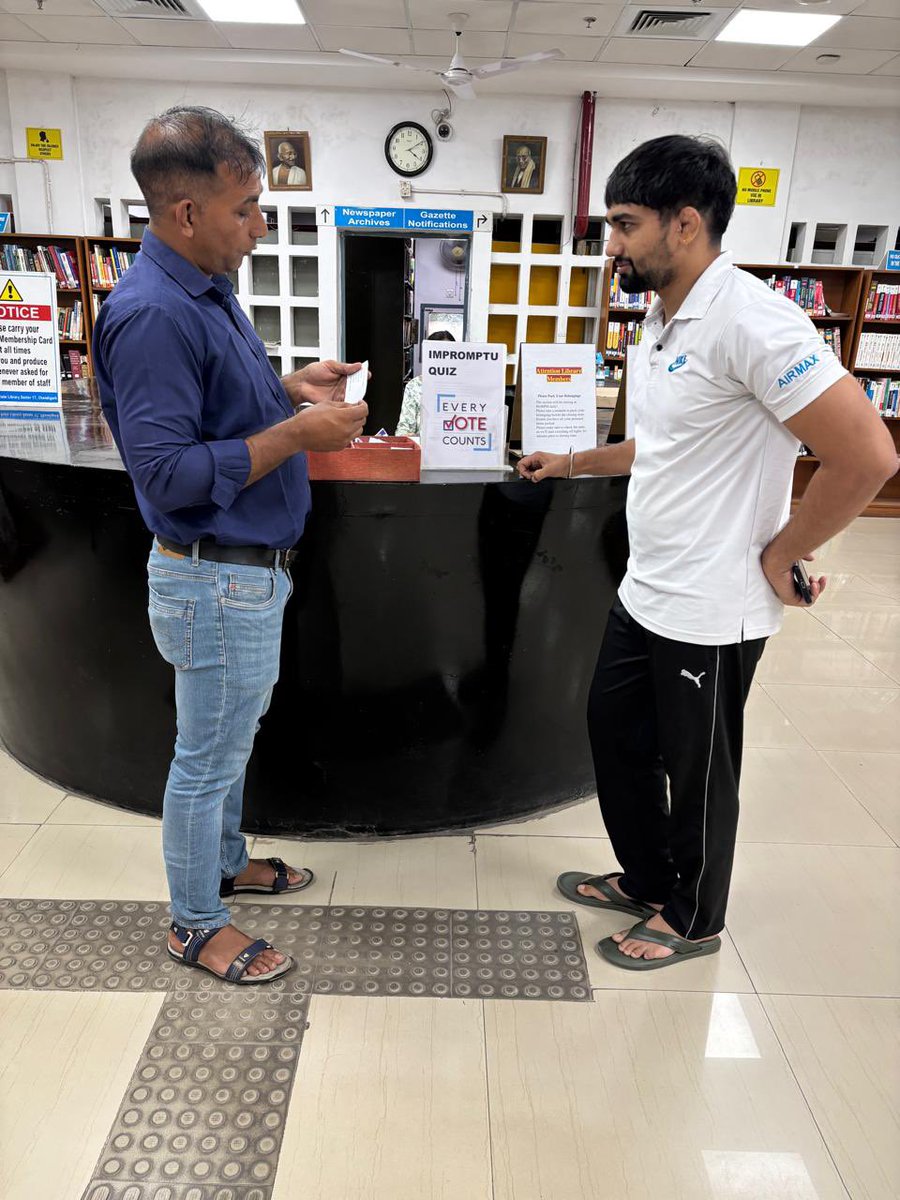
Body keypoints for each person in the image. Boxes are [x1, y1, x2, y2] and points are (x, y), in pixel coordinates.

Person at [519, 134, 897, 972]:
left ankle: (693, 918)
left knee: (697, 770)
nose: (612, 245)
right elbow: (662, 444)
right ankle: (650, 879)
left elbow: (868, 455)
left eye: (625, 224)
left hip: (714, 604)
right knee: (615, 736)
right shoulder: (661, 321)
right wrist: (573, 461)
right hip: (648, 587)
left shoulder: (754, 320)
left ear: (685, 224)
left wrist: (784, 551)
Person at [93, 106, 367, 985]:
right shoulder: (152, 315)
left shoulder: (205, 290)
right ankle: (194, 923)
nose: (258, 227)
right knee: (206, 759)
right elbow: (168, 474)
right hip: (213, 579)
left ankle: (223, 862)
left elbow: (216, 408)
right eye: (244, 209)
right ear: (187, 212)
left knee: (227, 742)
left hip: (241, 577)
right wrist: (299, 436)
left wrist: (288, 389)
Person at [395, 330, 455, 437]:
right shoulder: (415, 386)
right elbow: (403, 429)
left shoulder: (463, 386)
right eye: (438, 353)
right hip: (423, 445)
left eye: (448, 354)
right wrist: (412, 437)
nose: (443, 358)